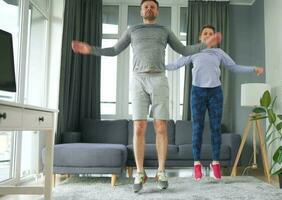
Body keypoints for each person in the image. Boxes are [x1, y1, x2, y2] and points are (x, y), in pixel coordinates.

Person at [71, 0, 221, 193]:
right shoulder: (132, 30)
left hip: (159, 79)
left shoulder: (164, 30)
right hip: (139, 80)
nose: (149, 8)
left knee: (160, 127)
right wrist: (91, 49)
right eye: (146, 6)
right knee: (139, 127)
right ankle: (140, 172)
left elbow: (184, 51)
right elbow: (115, 50)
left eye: (152, 6)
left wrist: (205, 44)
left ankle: (160, 171)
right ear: (141, 11)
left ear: (157, 11)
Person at [165, 25, 264, 181]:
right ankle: (197, 164)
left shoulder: (219, 53)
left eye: (211, 33)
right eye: (205, 33)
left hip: (215, 93)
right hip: (197, 92)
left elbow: (234, 67)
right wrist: (157, 67)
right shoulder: (193, 52)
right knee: (197, 128)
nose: (208, 35)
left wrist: (253, 68)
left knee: (215, 129)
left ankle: (215, 163)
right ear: (200, 37)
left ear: (215, 39)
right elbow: (175, 65)